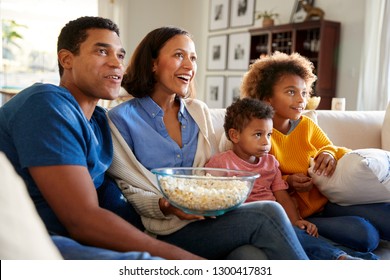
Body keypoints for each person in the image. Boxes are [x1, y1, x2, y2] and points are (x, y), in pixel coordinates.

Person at [0, 16, 206, 260]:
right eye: (101, 51)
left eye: (120, 55)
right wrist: (185, 261)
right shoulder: (46, 103)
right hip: (42, 242)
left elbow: (124, 190)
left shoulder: (99, 121)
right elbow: (82, 219)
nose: (116, 64)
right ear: (67, 59)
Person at [107, 26, 308, 260]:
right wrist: (165, 205)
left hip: (212, 220)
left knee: (249, 255)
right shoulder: (120, 119)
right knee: (268, 212)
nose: (189, 66)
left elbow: (221, 163)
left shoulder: (198, 111)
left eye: (193, 58)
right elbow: (127, 187)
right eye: (179, 55)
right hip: (164, 231)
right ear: (153, 63)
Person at [240, 51, 389, 253]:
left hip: (328, 203)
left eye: (304, 92)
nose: (301, 99)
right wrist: (289, 181)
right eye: (291, 92)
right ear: (268, 99)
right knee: (366, 236)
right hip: (299, 215)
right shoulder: (260, 136)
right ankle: (308, 237)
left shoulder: (306, 126)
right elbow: (261, 180)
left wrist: (327, 154)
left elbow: (333, 148)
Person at [206, 98, 378, 260]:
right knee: (291, 234)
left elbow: (282, 196)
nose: (266, 142)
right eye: (258, 134)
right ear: (235, 135)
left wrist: (296, 220)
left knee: (300, 234)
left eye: (269, 135)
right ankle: (339, 257)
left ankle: (359, 260)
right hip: (247, 222)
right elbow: (209, 198)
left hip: (276, 220)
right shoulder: (220, 164)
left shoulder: (270, 162)